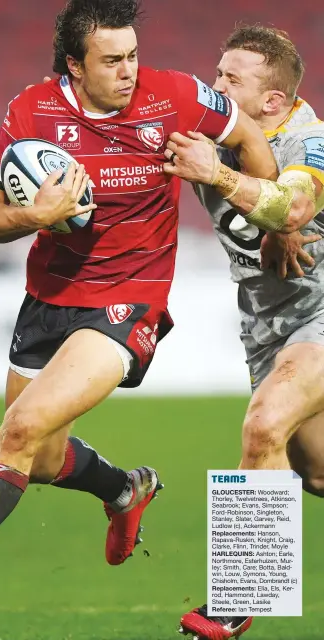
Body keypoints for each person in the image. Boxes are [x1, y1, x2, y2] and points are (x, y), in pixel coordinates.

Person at [0, 1, 282, 636]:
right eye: (112, 60)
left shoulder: (174, 97)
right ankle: (123, 490)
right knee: (38, 451)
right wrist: (37, 214)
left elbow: (250, 140)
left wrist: (261, 223)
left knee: (20, 431)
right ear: (73, 66)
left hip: (130, 298)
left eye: (133, 55)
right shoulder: (33, 110)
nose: (130, 71)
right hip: (48, 299)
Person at [162, 25, 324, 640]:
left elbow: (298, 206)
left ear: (274, 102)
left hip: (321, 314)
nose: (216, 85)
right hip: (267, 328)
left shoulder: (311, 141)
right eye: (217, 71)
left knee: (263, 424)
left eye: (232, 79)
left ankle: (237, 597)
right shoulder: (214, 132)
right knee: (315, 475)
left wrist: (221, 177)